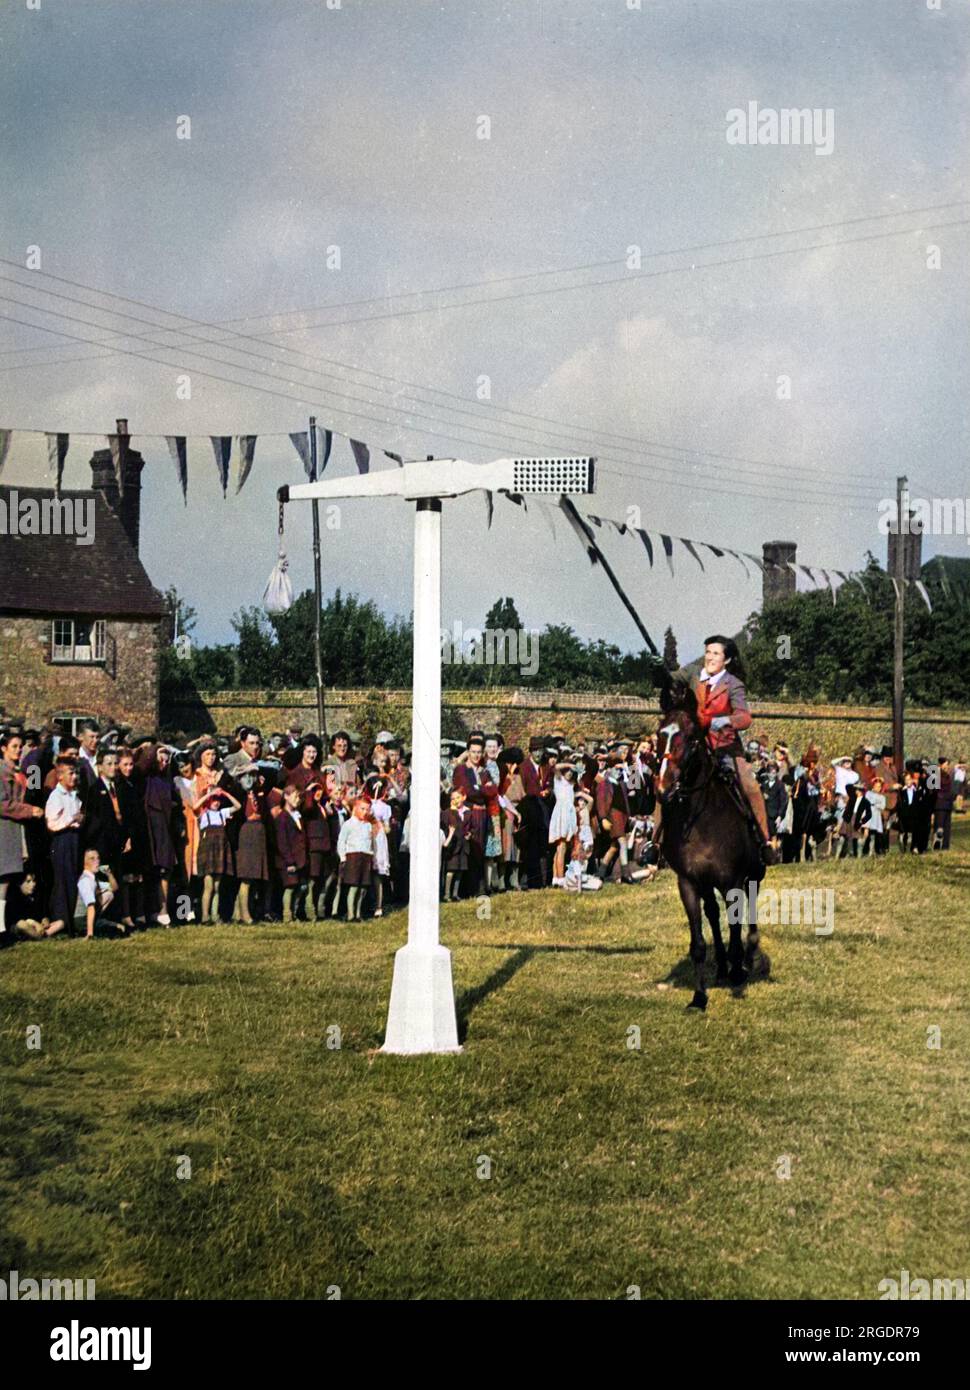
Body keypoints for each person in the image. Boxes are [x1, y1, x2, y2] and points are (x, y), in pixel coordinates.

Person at [692, 635, 774, 863]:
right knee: (666, 780)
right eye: (708, 652)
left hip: (725, 748)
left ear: (726, 660)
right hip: (697, 747)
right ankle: (656, 844)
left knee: (751, 786)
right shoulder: (695, 679)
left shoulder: (733, 684)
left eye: (716, 653)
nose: (709, 657)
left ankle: (764, 840)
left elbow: (744, 717)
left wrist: (726, 720)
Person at [0, 730, 45, 939]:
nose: (19, 750)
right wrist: (29, 810)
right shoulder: (2, 771)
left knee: (11, 879)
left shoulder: (25, 769)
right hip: (6, 829)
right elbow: (3, 804)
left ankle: (10, 924)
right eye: (14, 747)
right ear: (3, 749)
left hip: (19, 830)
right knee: (4, 879)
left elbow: (34, 791)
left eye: (21, 746)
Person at [44, 756, 84, 936]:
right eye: (70, 773)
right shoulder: (56, 796)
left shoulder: (74, 795)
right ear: (60, 776)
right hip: (62, 839)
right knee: (63, 879)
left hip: (74, 838)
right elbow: (52, 823)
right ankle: (59, 921)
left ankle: (68, 923)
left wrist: (79, 820)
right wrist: (71, 819)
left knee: (72, 879)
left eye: (76, 773)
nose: (74, 777)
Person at [336, 791, 374, 921]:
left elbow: (370, 842)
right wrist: (343, 857)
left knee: (363, 888)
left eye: (367, 809)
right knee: (354, 886)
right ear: (356, 808)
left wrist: (371, 855)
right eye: (362, 809)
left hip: (366, 856)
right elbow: (341, 841)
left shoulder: (368, 825)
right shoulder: (348, 824)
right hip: (353, 856)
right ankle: (351, 914)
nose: (365, 812)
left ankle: (358, 913)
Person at [276, 782, 308, 923]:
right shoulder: (282, 818)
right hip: (289, 860)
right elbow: (282, 842)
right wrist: (289, 861)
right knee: (290, 887)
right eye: (295, 796)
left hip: (300, 858)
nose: (298, 799)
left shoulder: (298, 815)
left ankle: (294, 913)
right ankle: (287, 915)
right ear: (286, 797)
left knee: (300, 887)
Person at [75, 848, 125, 939]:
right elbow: (90, 906)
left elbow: (114, 888)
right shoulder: (86, 880)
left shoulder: (93, 879)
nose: (97, 861)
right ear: (84, 862)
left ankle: (100, 924)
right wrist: (90, 934)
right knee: (114, 931)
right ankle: (93, 928)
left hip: (88, 917)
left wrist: (109, 874)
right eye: (92, 859)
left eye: (98, 858)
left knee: (109, 894)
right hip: (81, 920)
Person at [549, 762, 579, 885]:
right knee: (561, 847)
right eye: (567, 771)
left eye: (571, 772)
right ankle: (560, 877)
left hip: (568, 815)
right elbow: (555, 767)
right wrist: (570, 764)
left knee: (560, 847)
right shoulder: (559, 780)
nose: (569, 773)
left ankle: (556, 877)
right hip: (561, 815)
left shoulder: (572, 784)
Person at [933, 758, 953, 850]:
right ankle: (937, 845)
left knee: (947, 826)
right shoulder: (937, 774)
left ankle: (945, 846)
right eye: (945, 764)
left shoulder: (948, 775)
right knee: (939, 826)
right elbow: (934, 789)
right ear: (940, 765)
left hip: (948, 803)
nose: (947, 766)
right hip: (940, 803)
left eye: (947, 764)